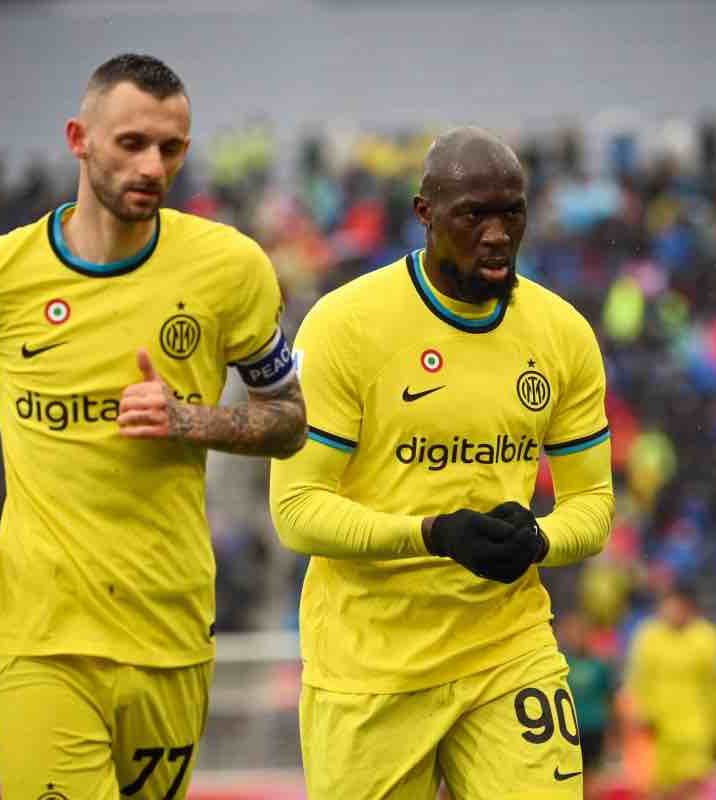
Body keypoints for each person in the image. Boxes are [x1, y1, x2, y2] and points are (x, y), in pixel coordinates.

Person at [0, 53, 306, 798]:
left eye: (172, 148)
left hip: (170, 626)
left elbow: (289, 421)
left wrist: (190, 418)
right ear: (79, 137)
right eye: (131, 143)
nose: (153, 164)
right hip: (40, 634)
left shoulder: (229, 268)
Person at [270, 126, 615, 799]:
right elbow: (295, 511)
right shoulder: (346, 326)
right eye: (473, 214)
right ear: (425, 214)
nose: (496, 233)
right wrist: (433, 534)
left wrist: (538, 539)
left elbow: (593, 506)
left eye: (511, 211)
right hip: (369, 668)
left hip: (508, 652)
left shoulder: (561, 332)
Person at [625, 581, 716, 800]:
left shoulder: (707, 637)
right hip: (656, 730)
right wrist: (636, 713)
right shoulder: (648, 636)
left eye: (676, 606)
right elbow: (637, 680)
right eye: (666, 605)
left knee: (691, 785)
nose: (670, 611)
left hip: (696, 729)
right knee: (654, 790)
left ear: (689, 607)